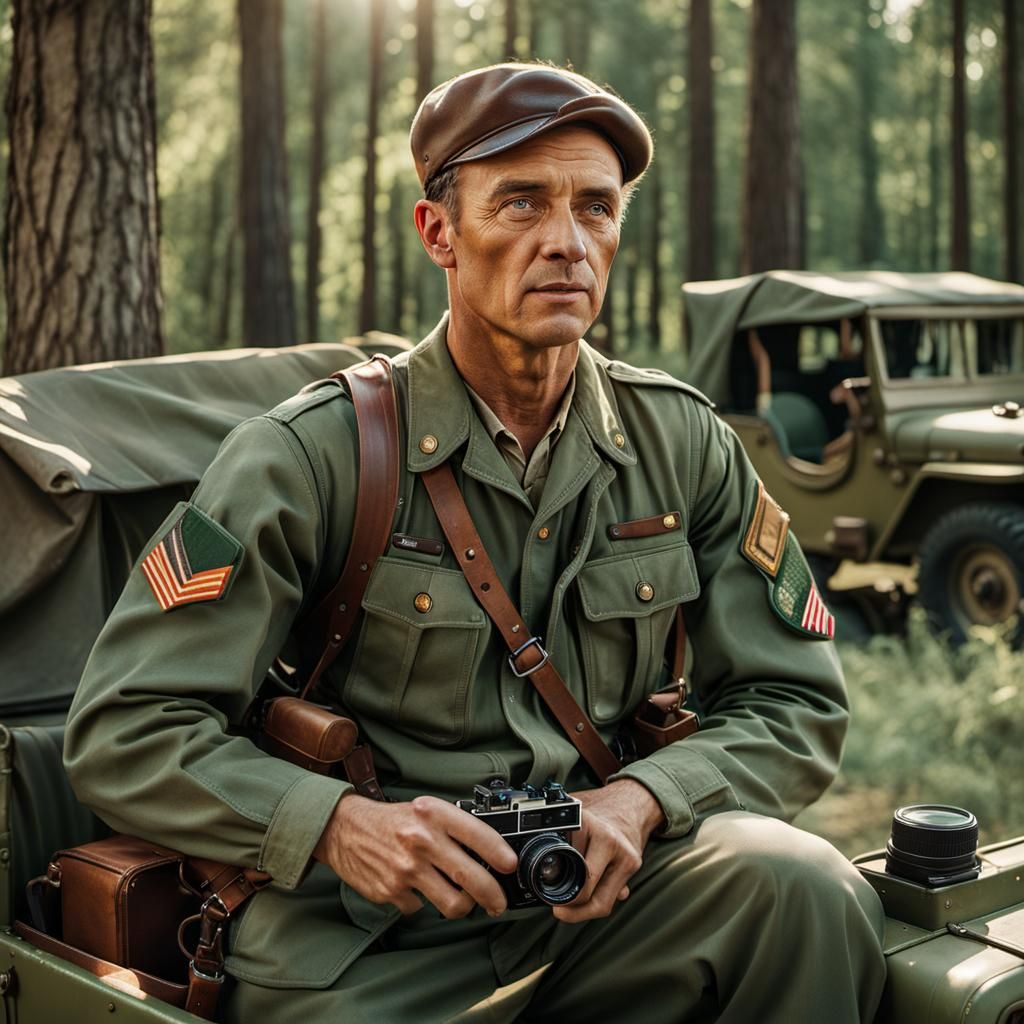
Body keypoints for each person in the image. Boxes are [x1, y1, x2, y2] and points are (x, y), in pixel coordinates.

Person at [65, 63, 886, 1022]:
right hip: (366, 942)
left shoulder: (681, 442)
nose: (567, 244)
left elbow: (794, 699)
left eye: (596, 209)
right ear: (440, 233)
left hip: (598, 907)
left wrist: (646, 799)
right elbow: (124, 729)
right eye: (522, 204)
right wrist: (337, 826)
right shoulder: (310, 457)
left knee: (804, 887)